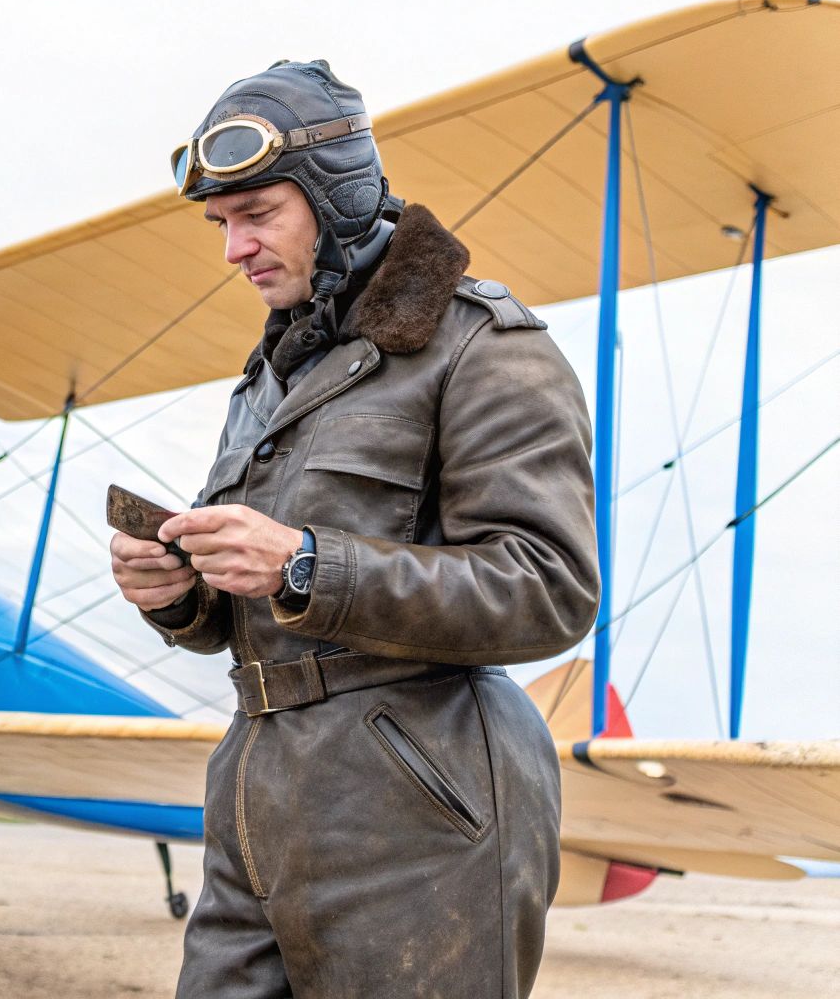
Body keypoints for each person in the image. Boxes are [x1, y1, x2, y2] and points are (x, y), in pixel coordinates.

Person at [110, 60, 599, 998]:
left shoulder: (484, 347)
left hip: (420, 806)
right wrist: (185, 599)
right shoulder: (270, 377)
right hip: (261, 790)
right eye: (221, 224)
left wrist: (300, 564)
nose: (232, 250)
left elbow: (549, 587)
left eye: (257, 214)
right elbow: (253, 610)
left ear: (334, 198)